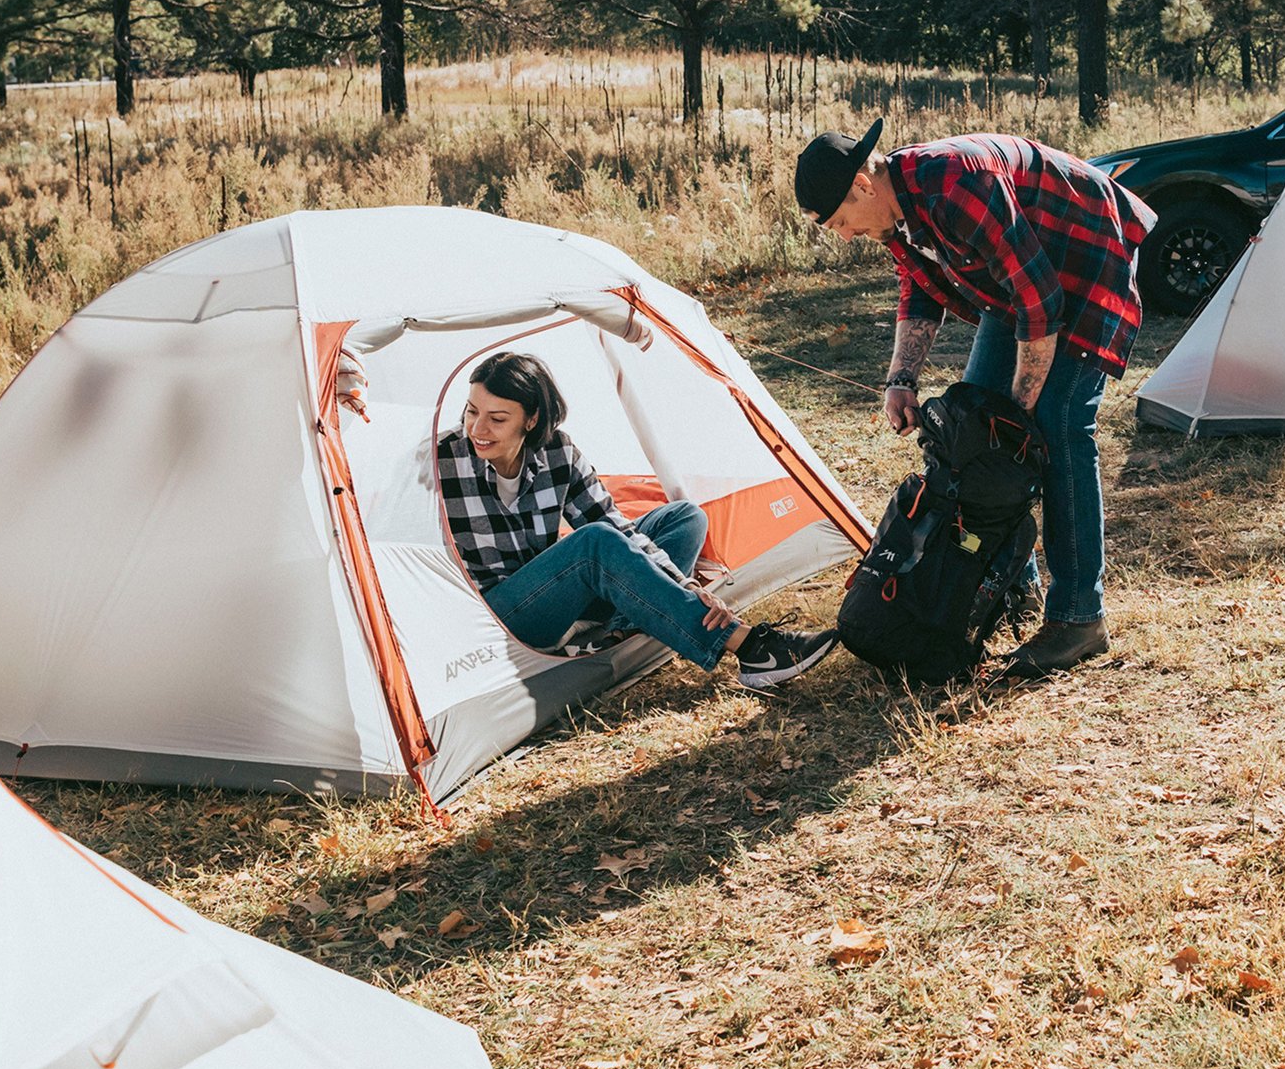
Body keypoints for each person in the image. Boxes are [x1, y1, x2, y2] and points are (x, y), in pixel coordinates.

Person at [793, 122, 1156, 678]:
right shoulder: (895, 212)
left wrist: (1021, 409)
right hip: (1017, 281)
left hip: (1085, 258)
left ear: (863, 184)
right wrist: (901, 378)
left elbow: (1041, 301)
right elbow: (918, 285)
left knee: (1054, 427)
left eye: (839, 221)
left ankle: (1080, 617)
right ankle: (1012, 583)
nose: (843, 235)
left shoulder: (957, 182)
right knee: (975, 436)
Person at [434, 351, 838, 689]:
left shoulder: (558, 451)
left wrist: (687, 586)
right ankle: (749, 648)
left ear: (532, 419)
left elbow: (613, 523)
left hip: (558, 595)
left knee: (685, 518)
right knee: (595, 545)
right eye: (471, 411)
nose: (477, 429)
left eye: (497, 418)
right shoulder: (439, 462)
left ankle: (628, 623)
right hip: (498, 617)